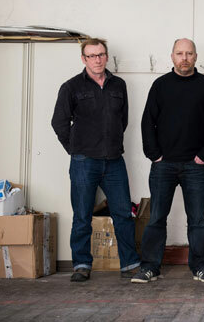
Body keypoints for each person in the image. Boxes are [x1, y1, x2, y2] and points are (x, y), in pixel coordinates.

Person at [133, 38, 204, 284]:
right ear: (172, 56)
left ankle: (200, 267)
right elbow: (147, 122)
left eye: (189, 53)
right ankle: (150, 267)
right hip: (164, 165)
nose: (184, 58)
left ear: (196, 56)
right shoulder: (160, 85)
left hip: (195, 166)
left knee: (197, 220)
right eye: (180, 53)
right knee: (156, 218)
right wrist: (155, 155)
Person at [51, 38, 140, 282]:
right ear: (84, 59)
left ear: (106, 56)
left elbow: (123, 120)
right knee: (82, 215)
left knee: (122, 213)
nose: (97, 59)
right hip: (84, 162)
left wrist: (111, 143)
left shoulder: (118, 85)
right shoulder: (71, 87)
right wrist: (75, 149)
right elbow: (59, 122)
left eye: (100, 54)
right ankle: (81, 264)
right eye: (91, 56)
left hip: (114, 161)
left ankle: (130, 263)